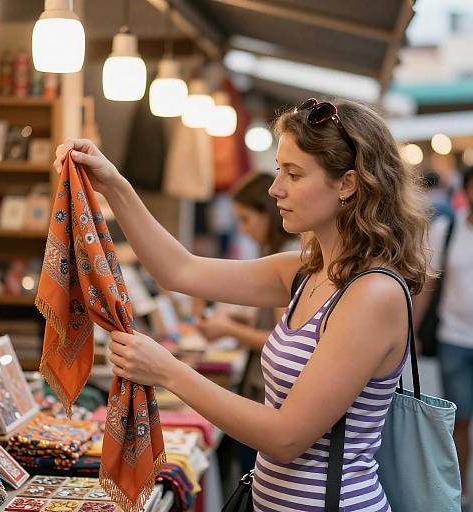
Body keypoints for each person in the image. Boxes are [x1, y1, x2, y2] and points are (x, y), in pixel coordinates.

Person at [54, 97, 428, 511]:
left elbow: (286, 437)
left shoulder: (372, 295)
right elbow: (180, 271)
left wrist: (169, 372)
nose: (275, 188)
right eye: (279, 170)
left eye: (294, 174)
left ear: (348, 184)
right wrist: (114, 184)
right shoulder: (304, 273)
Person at [197, 172, 299, 478]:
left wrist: (230, 330)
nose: (243, 229)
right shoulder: (279, 253)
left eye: (246, 219)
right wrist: (241, 319)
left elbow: (282, 339)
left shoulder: (289, 258)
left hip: (267, 398)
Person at [414, 166, 473, 508]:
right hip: (454, 338)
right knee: (459, 420)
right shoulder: (446, 229)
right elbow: (428, 284)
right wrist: (414, 329)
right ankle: (461, 494)